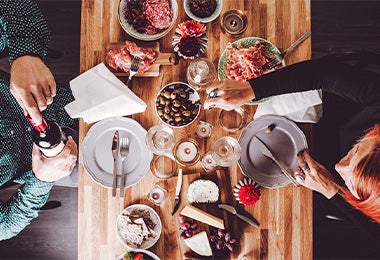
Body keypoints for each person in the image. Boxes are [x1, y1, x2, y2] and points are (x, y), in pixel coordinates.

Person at [204, 52, 380, 257]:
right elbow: (324, 73)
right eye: (357, 151)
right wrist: (250, 89)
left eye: (354, 187)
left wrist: (334, 191)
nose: (339, 167)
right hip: (341, 111)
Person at [0, 0, 78, 240]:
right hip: (51, 165)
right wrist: (43, 181)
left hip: (55, 99)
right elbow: (4, 226)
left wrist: (25, 55)